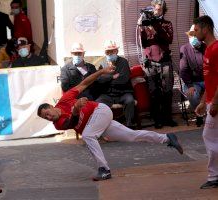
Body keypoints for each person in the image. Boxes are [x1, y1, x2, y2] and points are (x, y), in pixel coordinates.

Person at [37, 65, 183, 181]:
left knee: (88, 135)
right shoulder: (58, 124)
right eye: (45, 118)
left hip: (100, 111)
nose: (48, 117)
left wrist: (101, 71)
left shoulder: (65, 99)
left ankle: (104, 170)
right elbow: (72, 121)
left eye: (47, 114)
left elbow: (84, 83)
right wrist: (76, 108)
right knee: (131, 135)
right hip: (98, 124)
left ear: (51, 106)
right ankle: (167, 138)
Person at [138, 0, 177, 128]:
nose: (157, 11)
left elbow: (169, 39)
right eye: (155, 9)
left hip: (165, 60)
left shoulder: (167, 24)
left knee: (167, 90)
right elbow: (143, 43)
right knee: (153, 92)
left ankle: (168, 118)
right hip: (150, 62)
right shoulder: (146, 24)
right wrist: (142, 26)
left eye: (159, 9)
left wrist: (156, 28)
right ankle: (157, 119)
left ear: (163, 10)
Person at [194, 15, 218, 189]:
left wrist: (215, 103)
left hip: (216, 102)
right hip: (211, 100)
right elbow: (210, 80)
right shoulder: (208, 50)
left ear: (206, 28)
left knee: (208, 136)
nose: (195, 34)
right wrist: (203, 101)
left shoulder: (216, 49)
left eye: (196, 30)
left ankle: (214, 177)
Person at [96, 40, 135, 127]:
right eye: (107, 52)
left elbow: (124, 79)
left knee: (130, 101)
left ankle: (129, 125)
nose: (109, 54)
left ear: (116, 51)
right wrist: (112, 77)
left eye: (112, 51)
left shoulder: (123, 62)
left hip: (123, 92)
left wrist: (107, 80)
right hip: (108, 94)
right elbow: (98, 80)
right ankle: (104, 127)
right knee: (98, 103)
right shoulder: (102, 64)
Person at [180, 24, 206, 127]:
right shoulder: (184, 49)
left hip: (206, 80)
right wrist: (190, 85)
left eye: (196, 35)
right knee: (192, 95)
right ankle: (199, 114)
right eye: (191, 35)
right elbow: (183, 70)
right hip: (193, 82)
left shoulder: (206, 47)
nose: (193, 38)